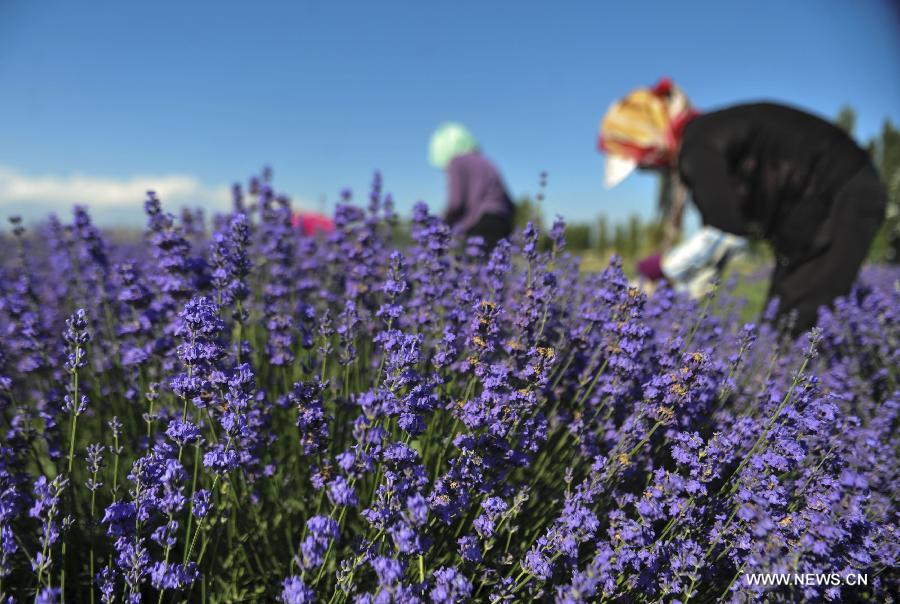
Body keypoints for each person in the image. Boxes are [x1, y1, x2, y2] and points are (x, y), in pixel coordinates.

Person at [598, 78, 887, 334]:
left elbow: (724, 233)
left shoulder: (696, 148)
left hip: (843, 195)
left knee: (800, 318)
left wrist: (660, 269)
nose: (651, 173)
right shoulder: (706, 134)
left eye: (645, 168)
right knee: (781, 315)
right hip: (818, 206)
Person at [429, 123, 515, 249]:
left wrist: (442, 225)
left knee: (476, 266)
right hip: (503, 222)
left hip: (481, 223)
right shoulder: (486, 161)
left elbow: (456, 203)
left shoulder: (457, 162)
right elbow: (509, 201)